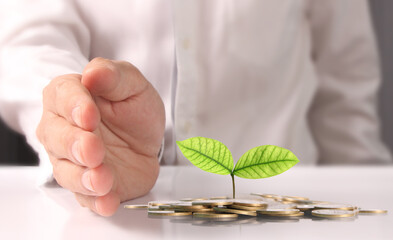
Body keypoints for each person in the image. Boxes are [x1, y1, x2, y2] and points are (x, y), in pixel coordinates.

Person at [0, 0, 391, 216]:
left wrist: (365, 202)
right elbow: (27, 39)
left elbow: (345, 77)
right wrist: (77, 123)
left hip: (279, 210)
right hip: (110, 216)